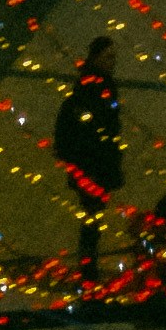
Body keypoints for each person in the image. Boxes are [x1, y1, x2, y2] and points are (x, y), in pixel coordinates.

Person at [52, 34, 125, 273]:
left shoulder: (90, 86)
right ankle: (88, 267)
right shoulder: (97, 88)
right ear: (97, 58)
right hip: (94, 162)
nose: (112, 62)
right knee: (92, 217)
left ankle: (88, 265)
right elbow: (100, 126)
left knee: (91, 216)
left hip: (90, 162)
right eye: (109, 57)